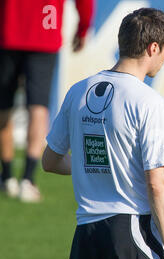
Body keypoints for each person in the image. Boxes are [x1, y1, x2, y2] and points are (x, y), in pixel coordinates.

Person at [42, 8, 164, 259]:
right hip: (131, 231)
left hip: (86, 235)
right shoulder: (149, 102)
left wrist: (95, 164)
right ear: (152, 48)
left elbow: (50, 161)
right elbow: (157, 183)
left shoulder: (78, 91)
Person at [0, 0, 94, 202]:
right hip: (44, 34)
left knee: (4, 107)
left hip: (8, 30)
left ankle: (7, 177)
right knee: (38, 106)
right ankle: (27, 179)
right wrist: (83, 29)